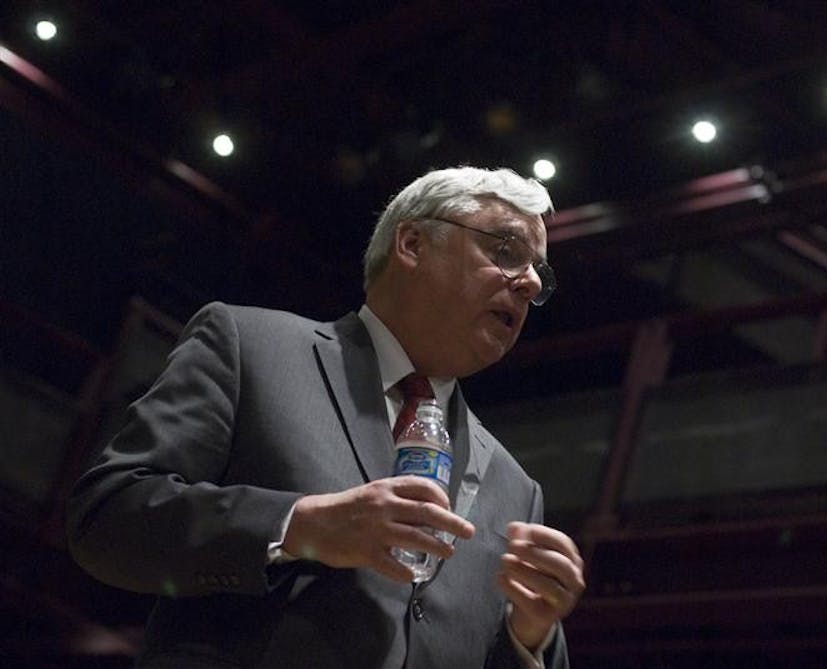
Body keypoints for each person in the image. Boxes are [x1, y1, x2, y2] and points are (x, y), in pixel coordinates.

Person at [66, 166, 586, 668]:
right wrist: (300, 526)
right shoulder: (251, 348)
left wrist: (528, 638)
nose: (530, 284)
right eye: (506, 251)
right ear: (412, 244)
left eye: (539, 272)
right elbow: (107, 518)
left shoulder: (517, 489)